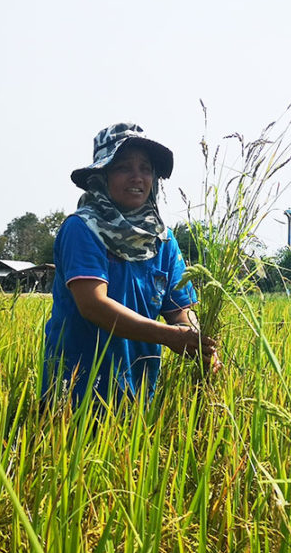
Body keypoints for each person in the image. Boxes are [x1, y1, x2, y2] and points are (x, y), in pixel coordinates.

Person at [43, 123, 218, 407]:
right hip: (77, 389)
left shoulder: (161, 239)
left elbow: (179, 309)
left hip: (137, 393)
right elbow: (93, 305)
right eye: (123, 167)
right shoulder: (83, 228)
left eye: (145, 168)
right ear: (101, 176)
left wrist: (198, 342)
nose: (137, 177)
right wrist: (171, 337)